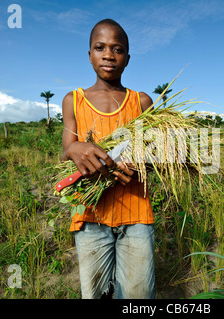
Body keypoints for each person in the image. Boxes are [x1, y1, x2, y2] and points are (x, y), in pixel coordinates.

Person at [60, 19, 155, 299]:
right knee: (95, 292)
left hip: (135, 212)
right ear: (89, 54)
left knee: (138, 294)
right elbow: (66, 151)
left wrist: (141, 167)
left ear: (127, 58)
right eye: (100, 47)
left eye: (118, 49)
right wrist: (76, 149)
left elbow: (154, 153)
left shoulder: (142, 102)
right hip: (90, 213)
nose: (108, 55)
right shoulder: (73, 99)